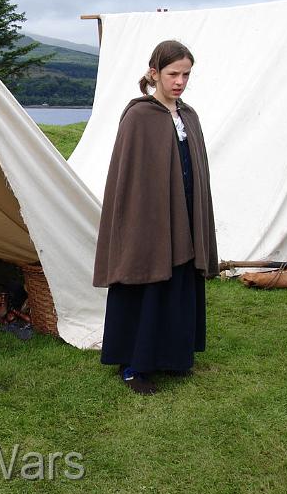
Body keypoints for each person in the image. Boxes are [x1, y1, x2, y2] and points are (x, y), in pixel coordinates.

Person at [93, 40, 219, 394]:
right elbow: (129, 178)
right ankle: (135, 365)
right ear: (154, 74)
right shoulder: (138, 116)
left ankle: (173, 357)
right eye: (173, 73)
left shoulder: (188, 117)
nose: (180, 81)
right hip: (147, 220)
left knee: (178, 283)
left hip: (185, 214)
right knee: (146, 283)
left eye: (186, 74)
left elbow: (196, 169)